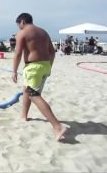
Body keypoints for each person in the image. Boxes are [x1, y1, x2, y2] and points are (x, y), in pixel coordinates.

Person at [12, 13, 67, 141]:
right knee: (27, 89)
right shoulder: (43, 32)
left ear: (22, 22)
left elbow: (18, 53)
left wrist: (14, 71)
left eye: (18, 25)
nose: (19, 28)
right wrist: (49, 67)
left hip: (33, 67)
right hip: (45, 65)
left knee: (33, 94)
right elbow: (52, 52)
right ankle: (23, 116)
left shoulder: (23, 32)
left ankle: (57, 126)